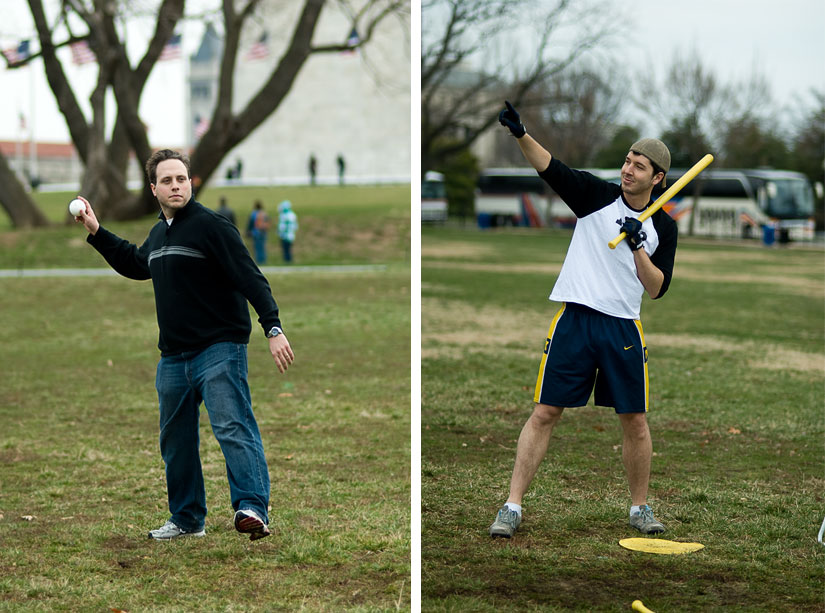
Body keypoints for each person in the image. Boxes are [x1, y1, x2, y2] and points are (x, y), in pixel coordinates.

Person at [72, 149, 295, 542]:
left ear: (191, 182)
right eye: (168, 181)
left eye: (182, 179)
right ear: (154, 188)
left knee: (231, 425)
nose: (176, 186)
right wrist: (95, 229)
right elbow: (137, 263)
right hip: (173, 356)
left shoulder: (213, 226)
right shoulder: (160, 233)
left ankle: (252, 508)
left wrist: (273, 328)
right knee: (175, 439)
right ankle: (188, 519)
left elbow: (250, 278)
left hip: (219, 348)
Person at [488, 101, 677, 539]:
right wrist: (520, 134)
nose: (628, 169)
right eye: (628, 160)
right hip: (574, 319)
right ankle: (512, 506)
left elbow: (657, 288)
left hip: (622, 328)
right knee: (544, 412)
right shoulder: (595, 196)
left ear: (658, 178)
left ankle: (640, 509)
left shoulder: (663, 228)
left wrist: (637, 246)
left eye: (639, 166)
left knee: (635, 419)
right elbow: (551, 167)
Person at [250, 200, 270, 264]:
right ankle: (264, 260)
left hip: (257, 232)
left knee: (257, 247)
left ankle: (259, 261)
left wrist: (249, 231)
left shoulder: (253, 213)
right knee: (263, 247)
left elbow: (251, 223)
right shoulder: (264, 213)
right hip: (264, 232)